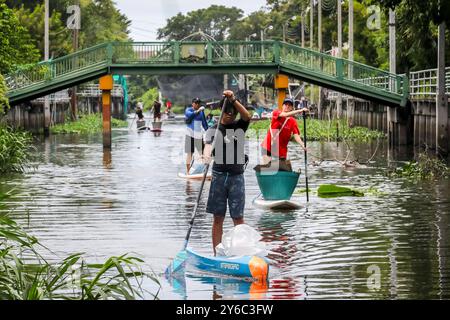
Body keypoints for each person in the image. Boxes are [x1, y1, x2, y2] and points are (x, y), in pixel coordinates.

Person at [203, 90, 251, 256]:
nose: (230, 116)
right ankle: (217, 254)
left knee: (238, 217)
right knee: (218, 217)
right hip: (219, 176)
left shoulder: (239, 126)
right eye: (228, 112)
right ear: (222, 112)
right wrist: (206, 155)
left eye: (233, 113)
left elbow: (248, 116)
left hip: (236, 176)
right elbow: (208, 145)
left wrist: (233, 99)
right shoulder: (214, 129)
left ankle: (241, 253)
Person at [260, 98, 308, 166]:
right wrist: (300, 110)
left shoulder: (293, 121)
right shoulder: (276, 113)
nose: (287, 106)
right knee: (268, 169)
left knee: (283, 169)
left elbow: (296, 135)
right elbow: (284, 115)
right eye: (285, 104)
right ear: (282, 106)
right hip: (268, 146)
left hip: (281, 150)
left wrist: (302, 145)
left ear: (292, 108)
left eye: (289, 105)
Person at [185, 97, 208, 174]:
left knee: (203, 153)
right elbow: (190, 115)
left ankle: (204, 171)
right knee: (190, 153)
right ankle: (188, 172)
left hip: (198, 135)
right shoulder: (188, 110)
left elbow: (204, 124)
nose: (197, 104)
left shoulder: (202, 112)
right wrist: (198, 111)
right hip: (190, 135)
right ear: (193, 104)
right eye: (196, 103)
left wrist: (210, 133)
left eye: (199, 103)